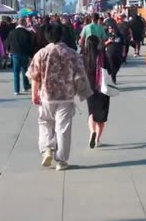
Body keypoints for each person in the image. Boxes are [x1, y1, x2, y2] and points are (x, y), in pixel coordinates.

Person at [27, 22, 93, 171]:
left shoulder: (41, 53)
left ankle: (47, 149)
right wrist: (83, 92)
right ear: (61, 35)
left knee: (45, 123)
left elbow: (34, 76)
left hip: (46, 96)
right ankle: (61, 161)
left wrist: (34, 94)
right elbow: (80, 75)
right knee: (63, 129)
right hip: (66, 96)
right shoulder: (71, 53)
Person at [81, 35, 110, 148]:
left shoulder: (83, 57)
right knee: (101, 115)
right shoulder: (102, 56)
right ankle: (97, 139)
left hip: (89, 87)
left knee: (91, 113)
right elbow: (110, 69)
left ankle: (92, 131)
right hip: (102, 88)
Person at [6, 16, 36, 96]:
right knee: (25, 70)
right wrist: (31, 55)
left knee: (16, 72)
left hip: (15, 53)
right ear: (24, 23)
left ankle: (16, 90)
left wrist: (8, 50)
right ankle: (25, 86)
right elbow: (30, 45)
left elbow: (8, 43)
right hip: (25, 53)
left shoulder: (12, 32)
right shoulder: (27, 33)